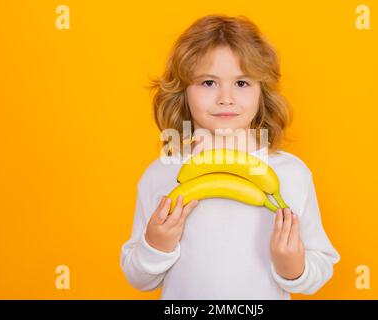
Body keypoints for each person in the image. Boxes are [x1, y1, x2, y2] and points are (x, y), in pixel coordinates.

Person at [120, 14, 340, 299]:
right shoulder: (161, 173)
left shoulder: (290, 174)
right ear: (183, 92)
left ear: (262, 92)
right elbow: (138, 277)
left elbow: (322, 262)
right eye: (208, 83)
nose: (226, 97)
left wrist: (294, 269)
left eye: (242, 83)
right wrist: (155, 245)